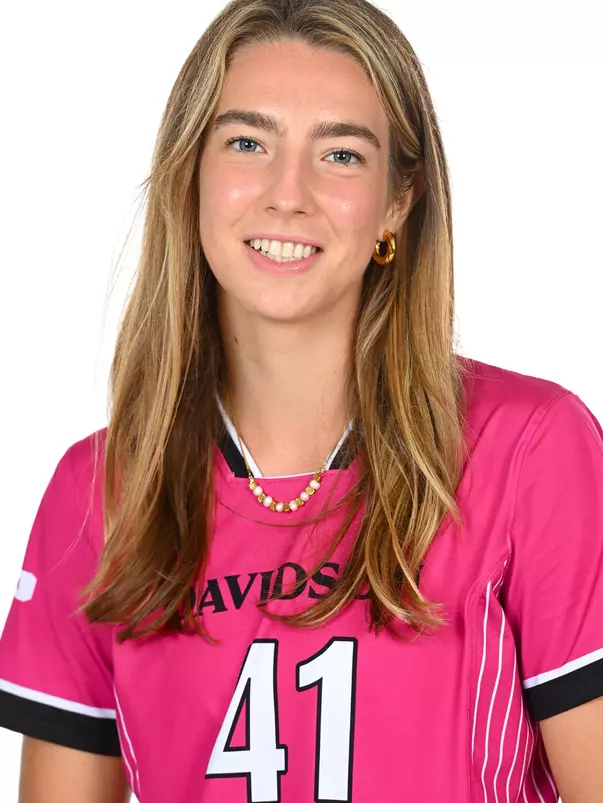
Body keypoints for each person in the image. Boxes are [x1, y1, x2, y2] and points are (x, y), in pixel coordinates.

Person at [1, 0, 602, 800]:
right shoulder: (102, 488)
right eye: (247, 143)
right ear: (192, 175)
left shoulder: (528, 447)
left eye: (342, 155)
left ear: (397, 201)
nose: (288, 194)